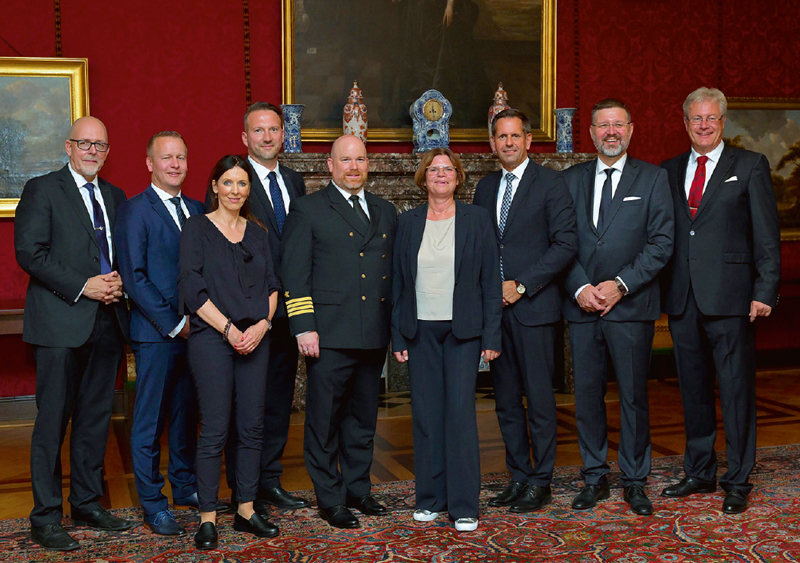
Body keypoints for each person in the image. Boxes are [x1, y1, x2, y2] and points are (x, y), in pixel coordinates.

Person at [15, 116, 134, 551]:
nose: (92, 151)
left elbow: (120, 251)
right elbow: (30, 252)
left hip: (107, 323)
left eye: (100, 145)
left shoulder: (116, 196)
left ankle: (86, 502)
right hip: (60, 323)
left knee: (94, 420)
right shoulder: (42, 189)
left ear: (107, 152)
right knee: (52, 424)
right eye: (84, 143)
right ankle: (45, 517)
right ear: (68, 146)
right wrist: (86, 284)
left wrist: (118, 282)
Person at [660, 87, 780, 514]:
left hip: (732, 298)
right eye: (696, 119)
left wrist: (764, 290)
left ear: (723, 122)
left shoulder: (749, 166)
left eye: (711, 118)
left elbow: (767, 234)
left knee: (735, 390)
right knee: (692, 389)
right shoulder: (669, 170)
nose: (704, 125)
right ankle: (699, 471)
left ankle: (738, 478)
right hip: (682, 297)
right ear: (686, 122)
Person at [561, 99, 674, 516]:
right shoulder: (569, 180)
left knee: (632, 396)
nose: (610, 132)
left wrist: (620, 285)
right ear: (590, 134)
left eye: (617, 125)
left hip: (631, 306)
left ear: (631, 129)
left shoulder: (654, 179)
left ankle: (634, 479)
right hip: (582, 306)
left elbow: (662, 243)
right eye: (602, 126)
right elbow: (559, 242)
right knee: (587, 396)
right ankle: (594, 476)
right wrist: (580, 288)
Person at [281, 135, 397, 529]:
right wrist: (304, 327)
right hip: (328, 334)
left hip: (373, 332)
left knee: (363, 420)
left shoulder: (385, 210)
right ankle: (330, 499)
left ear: (368, 165)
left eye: (360, 160)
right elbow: (295, 276)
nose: (353, 167)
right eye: (345, 160)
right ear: (330, 165)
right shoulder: (309, 209)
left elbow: (393, 278)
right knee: (324, 421)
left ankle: (358, 491)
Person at [472, 108, 577, 513]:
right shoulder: (484, 188)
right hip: (494, 313)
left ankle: (541, 480)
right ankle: (517, 476)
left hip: (533, 308)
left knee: (538, 399)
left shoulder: (551, 183)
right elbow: (481, 247)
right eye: (501, 137)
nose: (509, 143)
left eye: (516, 136)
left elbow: (565, 245)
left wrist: (520, 285)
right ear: (493, 143)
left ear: (529, 141)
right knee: (505, 401)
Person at [392, 148, 501, 532]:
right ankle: (430, 499)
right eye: (434, 169)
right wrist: (398, 336)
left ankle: (464, 505)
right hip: (419, 330)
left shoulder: (477, 219)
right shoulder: (407, 222)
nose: (441, 175)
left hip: (464, 332)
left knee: (459, 414)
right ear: (424, 177)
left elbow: (490, 282)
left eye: (448, 169)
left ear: (458, 177)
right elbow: (399, 283)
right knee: (425, 417)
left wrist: (491, 335)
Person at [179, 155, 280, 549]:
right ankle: (207, 517)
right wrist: (228, 329)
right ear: (215, 186)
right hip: (212, 339)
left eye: (242, 184)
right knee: (216, 429)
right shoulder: (197, 229)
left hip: (256, 338)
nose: (235, 190)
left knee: (253, 427)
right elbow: (192, 288)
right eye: (228, 183)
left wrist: (261, 326)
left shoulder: (257, 232)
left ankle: (246, 509)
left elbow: (274, 285)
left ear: (248, 190)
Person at [216, 102, 308, 514]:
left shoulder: (295, 180)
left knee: (277, 400)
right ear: (245, 137)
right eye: (259, 131)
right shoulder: (231, 180)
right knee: (246, 405)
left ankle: (269, 480)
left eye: (274, 130)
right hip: (251, 314)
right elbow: (223, 251)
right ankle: (243, 487)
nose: (268, 137)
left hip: (290, 311)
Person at [114, 132, 207, 536]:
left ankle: (185, 487)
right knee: (150, 424)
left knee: (188, 416)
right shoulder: (135, 211)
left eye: (181, 157)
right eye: (166, 157)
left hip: (199, 334)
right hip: (157, 335)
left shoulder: (199, 209)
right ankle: (154, 504)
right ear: (149, 163)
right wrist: (176, 323)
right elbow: (134, 279)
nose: (175, 164)